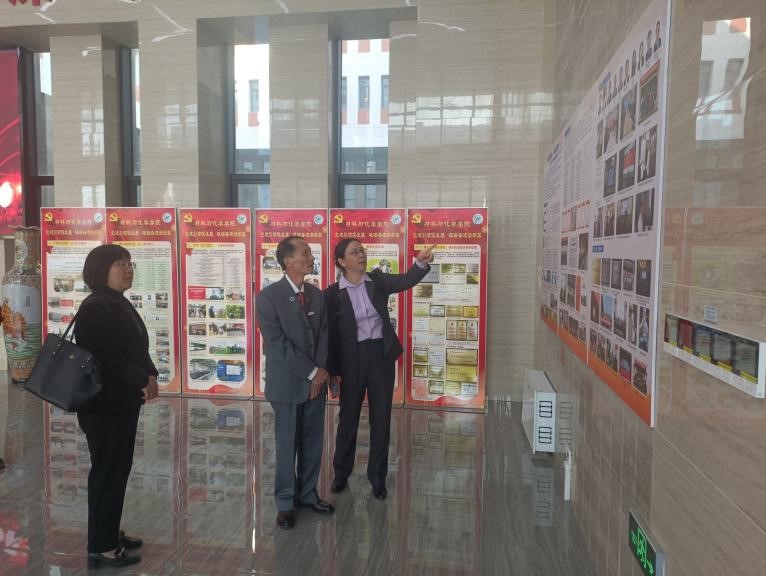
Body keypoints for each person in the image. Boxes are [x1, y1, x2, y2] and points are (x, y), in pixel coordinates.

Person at [326, 239, 433, 500]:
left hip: (380, 357)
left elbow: (406, 280)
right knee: (348, 418)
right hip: (351, 360)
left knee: (381, 418)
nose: (361, 255)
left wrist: (420, 263)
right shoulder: (332, 294)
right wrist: (333, 370)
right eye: (354, 252)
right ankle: (341, 474)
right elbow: (331, 337)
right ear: (341, 261)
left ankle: (377, 478)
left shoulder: (377, 280)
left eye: (362, 251)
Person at [74, 244, 159, 568]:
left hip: (121, 403)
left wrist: (150, 373)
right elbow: (106, 357)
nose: (128, 269)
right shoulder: (96, 306)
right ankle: (102, 546)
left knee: (116, 469)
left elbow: (136, 345)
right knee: (108, 471)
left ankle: (109, 531)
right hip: (104, 407)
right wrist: (140, 379)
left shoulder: (117, 301)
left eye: (129, 263)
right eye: (120, 264)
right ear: (101, 270)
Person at [256, 236, 333, 530]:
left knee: (313, 442)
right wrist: (312, 372)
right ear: (288, 261)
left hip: (316, 382)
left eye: (310, 252)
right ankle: (285, 502)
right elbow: (277, 344)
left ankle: (308, 493)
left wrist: (320, 373)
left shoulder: (317, 295)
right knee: (287, 444)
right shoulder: (268, 297)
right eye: (305, 253)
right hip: (287, 383)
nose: (311, 258)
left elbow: (324, 335)